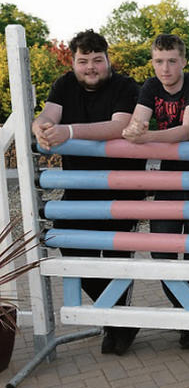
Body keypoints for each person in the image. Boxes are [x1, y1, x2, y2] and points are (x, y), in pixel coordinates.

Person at [31, 29, 142, 356]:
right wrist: (41, 126)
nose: (91, 67)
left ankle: (117, 325)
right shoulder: (64, 84)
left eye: (97, 60)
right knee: (65, 243)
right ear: (73, 62)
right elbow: (49, 115)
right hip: (78, 188)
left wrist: (68, 132)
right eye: (83, 61)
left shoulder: (125, 87)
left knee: (117, 259)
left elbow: (118, 126)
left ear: (108, 59)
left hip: (121, 188)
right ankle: (118, 321)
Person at [121, 34, 189, 349]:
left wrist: (146, 137)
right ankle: (185, 311)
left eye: (172, 60)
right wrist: (134, 130)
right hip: (168, 181)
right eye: (159, 61)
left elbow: (186, 131)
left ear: (184, 61)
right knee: (161, 249)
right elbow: (137, 123)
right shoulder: (150, 87)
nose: (165, 67)